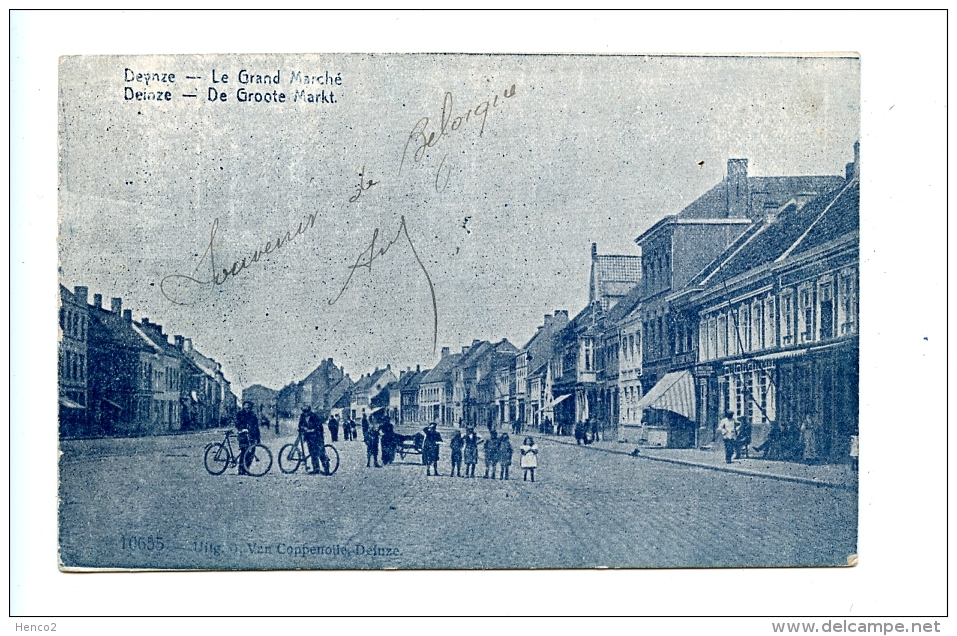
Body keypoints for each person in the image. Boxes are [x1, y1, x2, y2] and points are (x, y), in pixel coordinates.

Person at [298, 406, 329, 474]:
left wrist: (313, 430)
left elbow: (319, 426)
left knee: (321, 453)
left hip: (317, 437)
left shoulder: (314, 416)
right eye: (304, 412)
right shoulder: (302, 416)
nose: (305, 414)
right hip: (309, 437)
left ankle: (326, 469)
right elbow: (300, 425)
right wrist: (304, 428)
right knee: (312, 453)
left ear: (309, 411)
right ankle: (316, 469)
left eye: (307, 412)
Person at [235, 401, 260, 475]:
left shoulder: (253, 415)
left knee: (252, 452)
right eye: (246, 406)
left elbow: (256, 426)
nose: (247, 408)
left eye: (249, 407)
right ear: (243, 406)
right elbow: (237, 423)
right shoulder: (240, 414)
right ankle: (241, 469)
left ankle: (247, 468)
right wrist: (242, 428)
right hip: (243, 435)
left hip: (252, 435)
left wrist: (258, 438)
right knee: (244, 451)